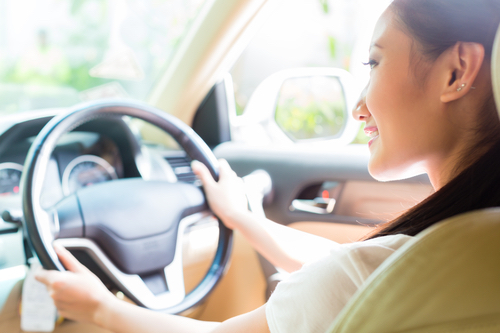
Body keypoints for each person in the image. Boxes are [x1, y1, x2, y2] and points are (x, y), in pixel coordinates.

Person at [35, 0, 500, 332]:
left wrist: (99, 309)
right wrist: (245, 221)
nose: (359, 107)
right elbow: (360, 272)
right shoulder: (470, 253)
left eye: (374, 64)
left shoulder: (383, 270)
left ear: (456, 72)